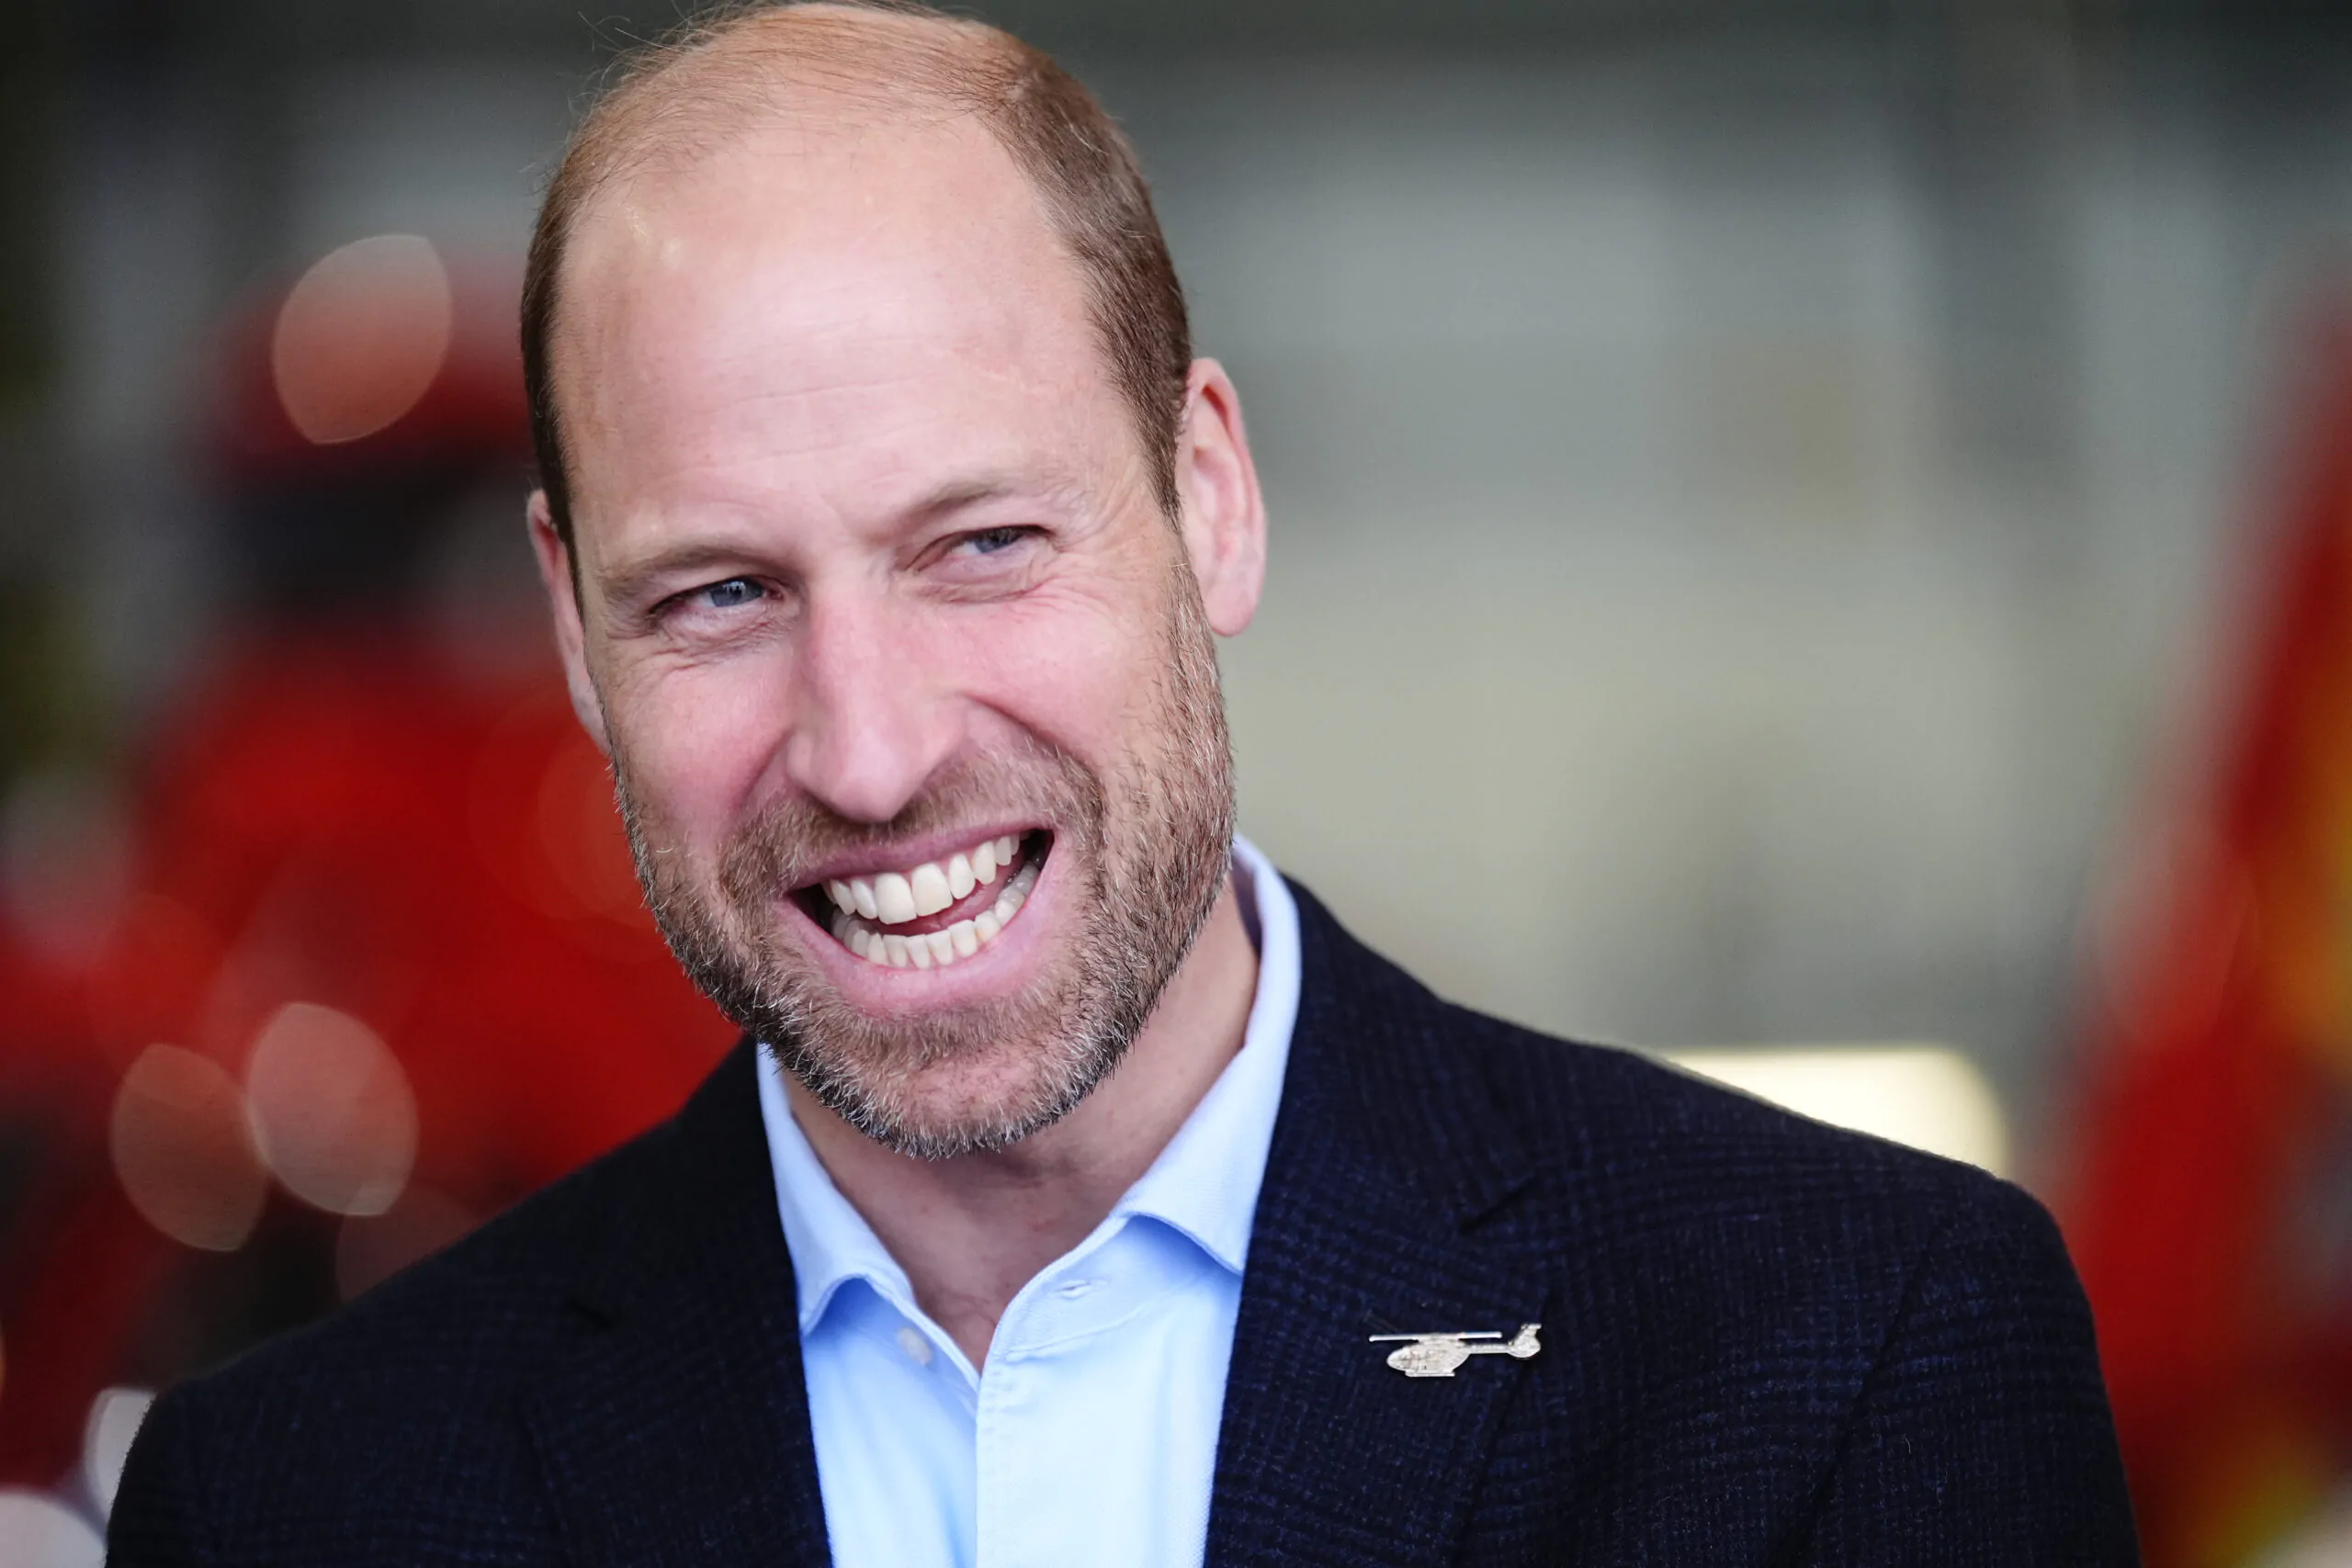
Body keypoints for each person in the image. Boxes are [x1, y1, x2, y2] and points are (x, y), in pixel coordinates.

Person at [107, 4, 2140, 1562]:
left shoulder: (1848, 1353)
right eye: (720, 594)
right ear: (572, 632)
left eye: (980, 545)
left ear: (1210, 499)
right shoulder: (299, 1502)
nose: (873, 747)